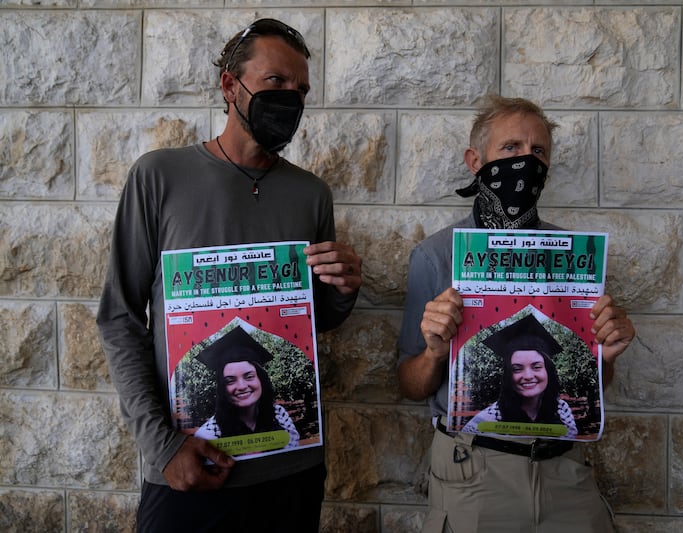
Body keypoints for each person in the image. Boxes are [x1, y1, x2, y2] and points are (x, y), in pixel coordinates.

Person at [96, 18, 362, 532]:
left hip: (292, 468)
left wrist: (345, 289)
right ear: (229, 85)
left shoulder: (312, 194)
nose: (291, 98)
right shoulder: (158, 177)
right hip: (189, 466)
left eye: (301, 89)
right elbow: (119, 318)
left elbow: (316, 322)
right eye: (276, 83)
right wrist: (163, 445)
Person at [397, 94, 636, 532]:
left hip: (565, 470)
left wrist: (606, 354)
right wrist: (434, 353)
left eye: (538, 151)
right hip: (475, 470)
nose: (526, 161)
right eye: (511, 149)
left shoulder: (572, 255)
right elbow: (408, 384)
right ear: (475, 160)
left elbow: (591, 382)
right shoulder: (435, 255)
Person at [460, 314, 578, 439]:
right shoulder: (487, 420)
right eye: (517, 369)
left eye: (536, 367)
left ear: (548, 371)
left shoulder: (561, 410)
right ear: (508, 376)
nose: (528, 376)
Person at [193, 326, 300, 449]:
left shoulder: (279, 415)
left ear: (261, 380)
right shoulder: (209, 435)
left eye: (249, 376)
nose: (242, 386)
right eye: (230, 381)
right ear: (222, 389)